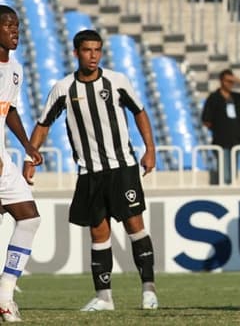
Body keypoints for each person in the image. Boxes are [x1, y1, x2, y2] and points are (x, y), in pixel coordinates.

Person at [23, 30, 159, 312]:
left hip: (122, 167)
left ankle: (149, 290)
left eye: (97, 50)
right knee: (98, 232)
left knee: (135, 225)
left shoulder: (116, 81)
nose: (93, 55)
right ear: (76, 53)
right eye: (87, 50)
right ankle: (103, 297)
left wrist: (150, 148)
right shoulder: (63, 88)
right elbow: (43, 123)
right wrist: (30, 156)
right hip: (89, 172)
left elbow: (140, 111)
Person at [0, 5, 43, 322]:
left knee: (28, 218)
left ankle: (5, 295)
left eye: (17, 25)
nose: (15, 31)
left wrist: (27, 144)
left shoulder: (15, 67)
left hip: (3, 155)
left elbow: (9, 109)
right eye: (8, 25)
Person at [201, 69, 240, 185]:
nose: (230, 84)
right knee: (225, 173)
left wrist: (239, 81)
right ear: (221, 81)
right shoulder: (214, 98)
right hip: (221, 140)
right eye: (227, 81)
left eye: (232, 82)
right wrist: (219, 128)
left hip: (236, 139)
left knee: (233, 172)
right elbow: (206, 120)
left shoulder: (235, 97)